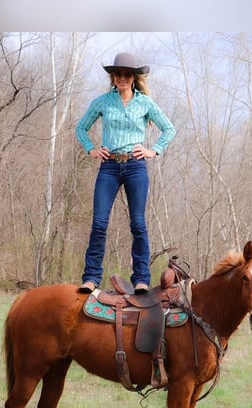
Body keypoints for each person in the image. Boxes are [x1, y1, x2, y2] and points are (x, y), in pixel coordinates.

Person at [75, 52, 176, 294]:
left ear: (133, 77)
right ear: (113, 77)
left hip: (135, 166)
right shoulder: (103, 102)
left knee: (138, 224)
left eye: (126, 74)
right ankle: (91, 277)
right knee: (99, 223)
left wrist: (154, 150)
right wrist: (92, 149)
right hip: (109, 166)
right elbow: (81, 128)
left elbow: (169, 129)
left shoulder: (145, 104)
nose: (122, 78)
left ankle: (141, 278)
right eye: (117, 74)